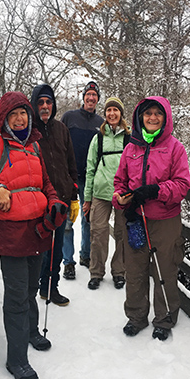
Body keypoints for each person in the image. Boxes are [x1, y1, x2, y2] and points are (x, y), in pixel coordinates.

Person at [0, 91, 65, 379]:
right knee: (15, 297)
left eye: (23, 112)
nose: (20, 118)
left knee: (31, 287)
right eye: (13, 114)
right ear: (5, 118)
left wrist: (54, 202)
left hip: (38, 229)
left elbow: (46, 182)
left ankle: (31, 332)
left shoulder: (35, 146)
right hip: (12, 233)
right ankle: (17, 360)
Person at [112, 96, 190, 341]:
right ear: (140, 117)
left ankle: (164, 318)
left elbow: (182, 184)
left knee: (164, 270)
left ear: (165, 118)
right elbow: (119, 182)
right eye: (148, 114)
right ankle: (136, 317)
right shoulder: (131, 148)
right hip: (135, 218)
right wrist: (120, 198)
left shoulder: (175, 148)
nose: (153, 117)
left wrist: (157, 190)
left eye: (158, 113)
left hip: (165, 220)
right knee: (134, 270)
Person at [31, 84, 78, 307]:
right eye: (40, 103)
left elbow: (71, 163)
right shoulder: (29, 132)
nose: (45, 106)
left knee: (57, 247)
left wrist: (73, 192)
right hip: (39, 201)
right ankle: (35, 287)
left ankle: (51, 288)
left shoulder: (61, 129)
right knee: (40, 248)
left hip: (61, 200)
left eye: (48, 102)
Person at [82, 97, 129, 290]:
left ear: (121, 113)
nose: (112, 114)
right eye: (109, 110)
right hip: (100, 193)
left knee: (122, 233)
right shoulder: (98, 138)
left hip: (122, 194)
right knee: (98, 232)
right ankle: (96, 272)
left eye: (115, 110)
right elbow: (90, 168)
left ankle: (119, 272)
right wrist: (87, 199)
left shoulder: (129, 137)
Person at [60, 81, 104, 280]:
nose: (91, 98)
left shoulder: (100, 123)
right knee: (68, 221)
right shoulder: (69, 117)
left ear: (97, 100)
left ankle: (85, 256)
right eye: (89, 94)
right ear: (83, 97)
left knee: (88, 220)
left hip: (90, 178)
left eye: (94, 95)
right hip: (70, 177)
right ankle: (68, 262)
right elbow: (59, 143)